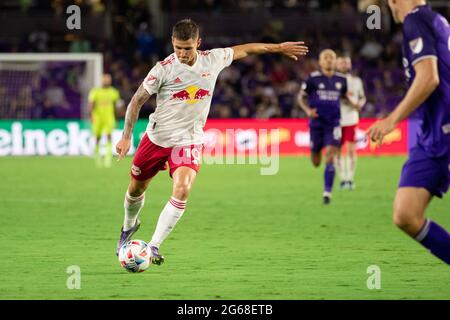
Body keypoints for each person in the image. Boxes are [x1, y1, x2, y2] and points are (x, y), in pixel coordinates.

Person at [114, 19, 308, 264]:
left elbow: (246, 49)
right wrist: (126, 136)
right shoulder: (163, 69)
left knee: (183, 189)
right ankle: (128, 227)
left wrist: (278, 47)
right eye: (177, 48)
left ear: (198, 43)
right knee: (136, 189)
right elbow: (137, 100)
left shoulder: (213, 59)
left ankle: (153, 246)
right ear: (172, 43)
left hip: (189, 140)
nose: (182, 54)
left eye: (187, 48)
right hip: (157, 138)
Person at [368, 0, 450, 265]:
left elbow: (429, 77)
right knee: (406, 214)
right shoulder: (435, 21)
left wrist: (391, 120)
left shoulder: (417, 20)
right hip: (431, 135)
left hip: (446, 129)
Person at [298, 49, 354, 204]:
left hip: (334, 122)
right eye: (326, 58)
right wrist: (308, 110)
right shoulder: (313, 79)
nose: (329, 60)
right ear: (320, 62)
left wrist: (354, 104)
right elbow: (300, 97)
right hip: (316, 123)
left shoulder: (342, 80)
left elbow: (343, 96)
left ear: (335, 61)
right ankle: (315, 150)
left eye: (332, 57)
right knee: (316, 161)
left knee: (330, 154)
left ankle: (327, 192)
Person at [335, 56, 366, 190]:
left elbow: (362, 97)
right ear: (337, 64)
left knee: (352, 150)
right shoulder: (333, 80)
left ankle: (350, 179)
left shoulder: (356, 81)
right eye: (342, 62)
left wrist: (360, 104)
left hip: (352, 119)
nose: (344, 64)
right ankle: (342, 179)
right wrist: (353, 103)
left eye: (347, 62)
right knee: (337, 150)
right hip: (336, 119)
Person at [88, 74, 120, 168]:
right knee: (98, 137)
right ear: (101, 80)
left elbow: (115, 107)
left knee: (109, 136)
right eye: (105, 79)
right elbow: (91, 105)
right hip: (97, 118)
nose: (106, 81)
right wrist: (91, 116)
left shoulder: (114, 92)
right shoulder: (95, 92)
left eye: (108, 79)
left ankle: (108, 158)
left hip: (109, 118)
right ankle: (97, 156)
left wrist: (116, 118)